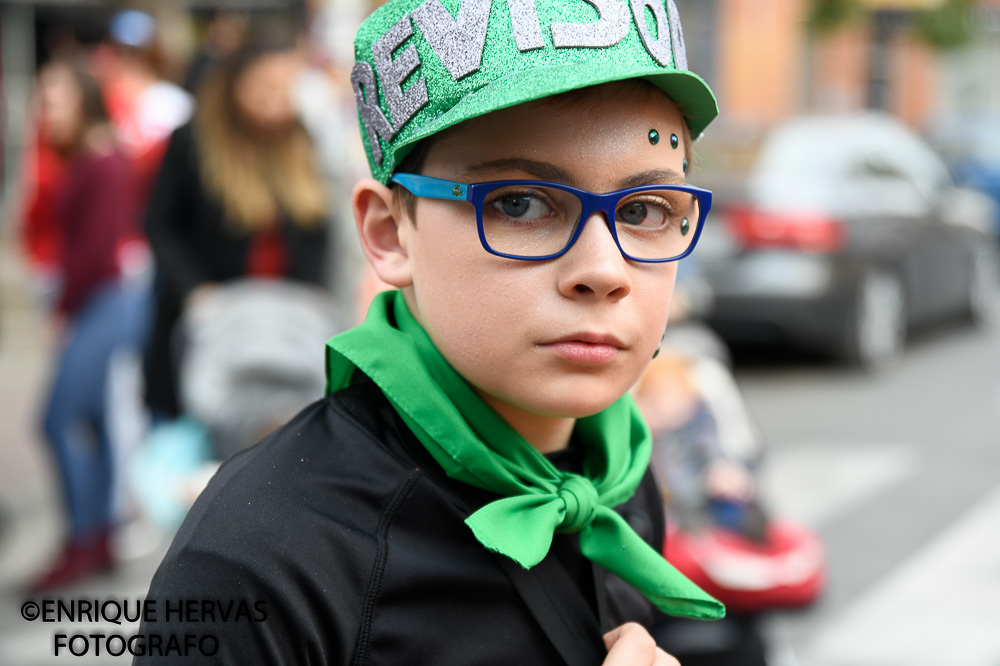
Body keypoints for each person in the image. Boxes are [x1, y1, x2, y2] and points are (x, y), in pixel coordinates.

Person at [137, 1, 724, 663]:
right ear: (390, 234)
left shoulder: (620, 481)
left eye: (645, 209)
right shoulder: (263, 557)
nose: (602, 270)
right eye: (520, 204)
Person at [142, 25, 329, 421]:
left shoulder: (301, 142)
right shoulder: (193, 142)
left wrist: (314, 295)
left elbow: (316, 227)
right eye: (264, 87)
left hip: (282, 330)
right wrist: (195, 290)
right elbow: (159, 225)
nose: (275, 101)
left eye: (285, 89)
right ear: (234, 86)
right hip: (207, 325)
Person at [30, 59, 149, 590]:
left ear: (82, 101)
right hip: (98, 297)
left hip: (102, 299)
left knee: (57, 419)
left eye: (55, 100)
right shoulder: (85, 156)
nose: (44, 111)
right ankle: (95, 534)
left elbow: (95, 251)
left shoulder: (102, 158)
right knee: (91, 420)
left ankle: (82, 536)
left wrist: (63, 312)